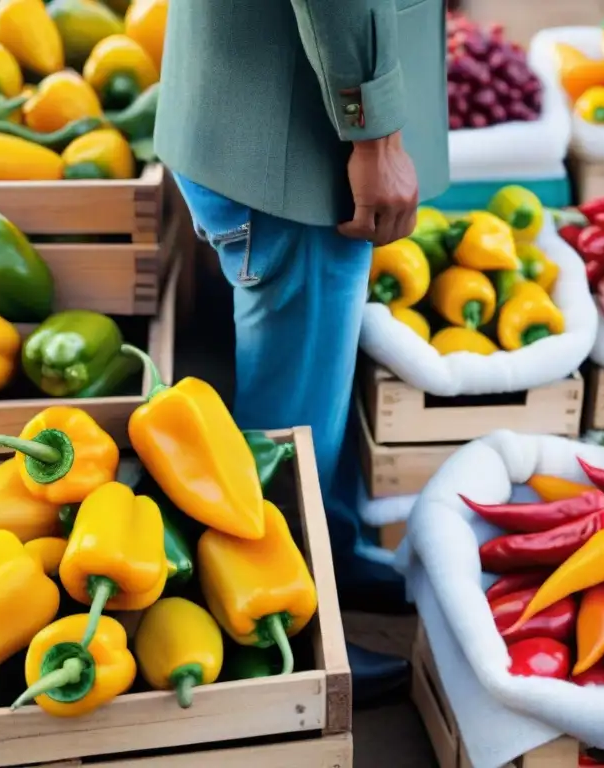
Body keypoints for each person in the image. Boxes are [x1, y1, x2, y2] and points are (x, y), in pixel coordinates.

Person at [155, 0, 448, 697]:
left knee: (316, 380)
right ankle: (292, 631)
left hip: (269, 105)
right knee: (294, 413)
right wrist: (374, 135)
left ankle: (332, 555)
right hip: (298, 134)